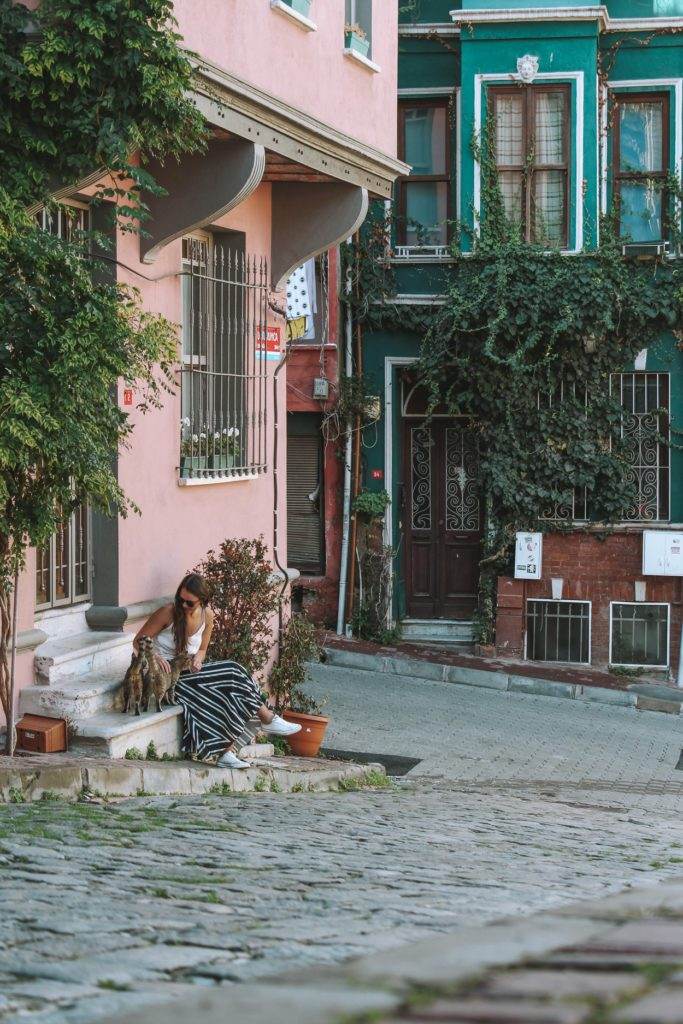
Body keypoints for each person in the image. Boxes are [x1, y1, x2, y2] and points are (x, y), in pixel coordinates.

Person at [133, 572, 300, 769]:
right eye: (181, 599)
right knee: (224, 681)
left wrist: (199, 659)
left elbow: (202, 649)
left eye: (190, 602)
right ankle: (263, 721)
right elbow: (138, 641)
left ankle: (230, 749)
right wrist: (155, 656)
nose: (183, 605)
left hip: (190, 672)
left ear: (203, 601)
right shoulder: (167, 612)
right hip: (167, 677)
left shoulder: (207, 615)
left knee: (234, 672)